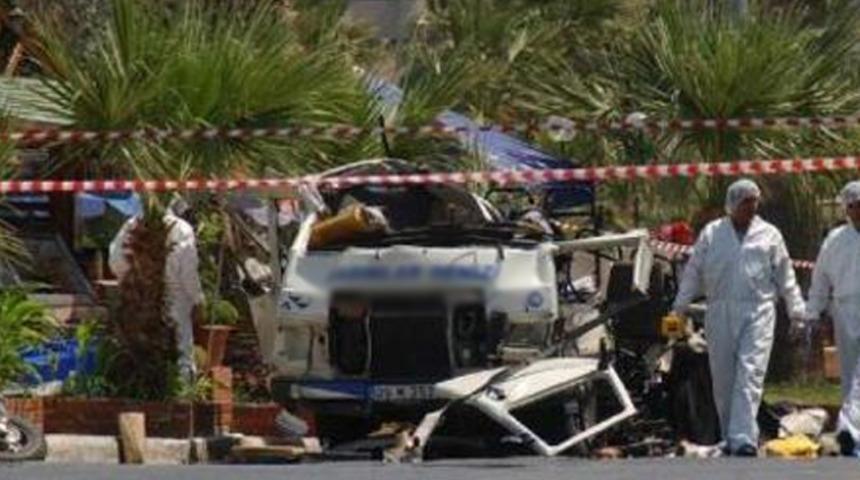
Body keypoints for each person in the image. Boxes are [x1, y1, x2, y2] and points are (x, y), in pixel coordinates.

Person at [672, 178, 806, 456]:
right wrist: (679, 307)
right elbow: (693, 272)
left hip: (758, 311)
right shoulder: (712, 234)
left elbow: (786, 276)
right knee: (724, 380)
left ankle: (744, 439)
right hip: (719, 312)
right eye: (745, 202)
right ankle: (730, 438)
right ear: (732, 204)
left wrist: (797, 312)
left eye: (754, 201)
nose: (751, 207)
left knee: (750, 374)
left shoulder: (769, 235)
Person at [108, 196, 205, 383]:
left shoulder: (131, 225)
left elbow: (115, 261)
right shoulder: (182, 229)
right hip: (176, 296)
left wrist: (132, 280)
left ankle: (141, 388)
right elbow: (188, 273)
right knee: (181, 350)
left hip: (137, 297)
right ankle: (180, 390)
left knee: (137, 348)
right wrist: (198, 299)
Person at [805, 180, 860, 456]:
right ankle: (853, 436)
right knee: (850, 373)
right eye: (854, 205)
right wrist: (812, 313)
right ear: (846, 208)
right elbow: (820, 279)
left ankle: (850, 429)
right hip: (845, 309)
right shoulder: (835, 240)